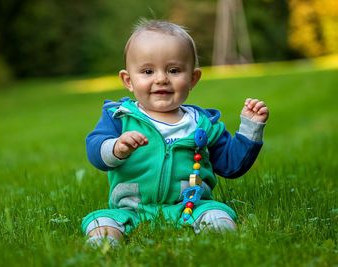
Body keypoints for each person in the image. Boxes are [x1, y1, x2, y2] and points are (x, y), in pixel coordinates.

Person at [82, 19, 269, 247]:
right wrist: (116, 148)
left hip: (190, 207)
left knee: (217, 214)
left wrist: (251, 128)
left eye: (173, 70)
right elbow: (94, 148)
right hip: (130, 208)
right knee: (101, 222)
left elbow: (231, 165)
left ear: (192, 79)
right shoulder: (120, 117)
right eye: (148, 71)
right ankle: (106, 242)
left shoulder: (202, 124)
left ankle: (217, 239)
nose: (161, 78)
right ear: (128, 80)